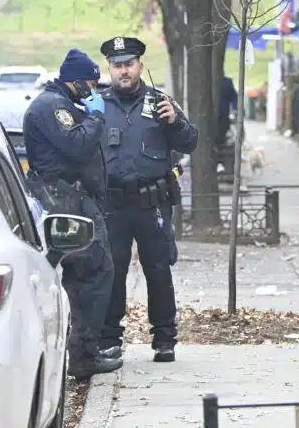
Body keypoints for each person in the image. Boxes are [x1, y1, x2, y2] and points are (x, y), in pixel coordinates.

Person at [96, 36, 199, 363]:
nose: (123, 71)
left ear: (140, 65)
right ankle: (110, 339)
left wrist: (175, 122)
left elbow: (190, 141)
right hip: (112, 205)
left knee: (158, 270)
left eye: (129, 64)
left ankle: (164, 339)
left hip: (152, 202)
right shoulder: (97, 104)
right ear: (109, 69)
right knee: (112, 271)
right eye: (117, 66)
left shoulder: (160, 101)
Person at [22, 48, 122, 379]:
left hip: (71, 198)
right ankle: (82, 354)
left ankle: (81, 350)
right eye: (90, 84)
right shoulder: (53, 107)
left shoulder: (61, 103)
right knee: (95, 271)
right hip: (65, 201)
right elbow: (77, 145)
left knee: (83, 276)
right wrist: (95, 116)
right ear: (76, 81)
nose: (93, 91)